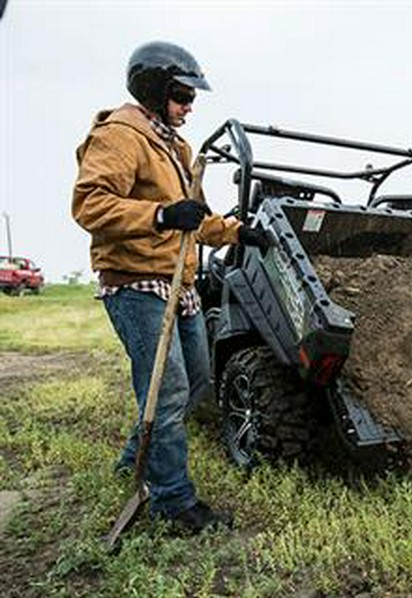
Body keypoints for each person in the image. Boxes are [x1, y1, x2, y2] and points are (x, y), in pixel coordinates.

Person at [72, 41, 268, 533]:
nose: (189, 106)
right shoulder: (120, 135)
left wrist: (237, 231)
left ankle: (134, 459)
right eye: (182, 95)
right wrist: (159, 214)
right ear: (155, 91)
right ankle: (173, 500)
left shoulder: (177, 149)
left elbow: (195, 221)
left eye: (192, 97)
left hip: (178, 284)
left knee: (194, 380)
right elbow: (90, 206)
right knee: (167, 389)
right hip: (135, 284)